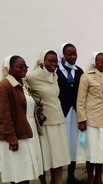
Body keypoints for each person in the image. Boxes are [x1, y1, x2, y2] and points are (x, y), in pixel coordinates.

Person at [26, 50, 70, 184]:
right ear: (42, 61)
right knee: (45, 158)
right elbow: (25, 94)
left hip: (58, 121)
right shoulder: (32, 77)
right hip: (44, 125)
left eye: (55, 61)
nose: (53, 64)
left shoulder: (55, 75)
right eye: (50, 61)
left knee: (59, 158)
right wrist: (34, 107)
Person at [76, 52, 103, 184]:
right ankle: (90, 178)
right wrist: (81, 120)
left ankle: (98, 178)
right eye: (100, 62)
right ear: (94, 63)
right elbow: (80, 100)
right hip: (92, 119)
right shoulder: (86, 77)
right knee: (92, 150)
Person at [0, 55, 43, 184]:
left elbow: (24, 106)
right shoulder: (5, 86)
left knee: (26, 171)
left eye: (25, 67)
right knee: (20, 172)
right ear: (9, 69)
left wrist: (36, 109)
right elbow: (4, 115)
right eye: (20, 67)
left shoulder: (23, 84)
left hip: (28, 130)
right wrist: (11, 137)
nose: (24, 69)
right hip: (17, 134)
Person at [56, 43, 84, 183]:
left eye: (75, 54)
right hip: (60, 114)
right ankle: (57, 178)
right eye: (69, 54)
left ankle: (71, 176)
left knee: (72, 144)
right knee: (60, 145)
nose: (73, 57)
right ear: (63, 54)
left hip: (74, 113)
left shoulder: (79, 71)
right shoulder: (55, 71)